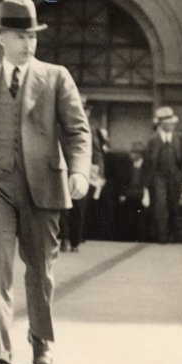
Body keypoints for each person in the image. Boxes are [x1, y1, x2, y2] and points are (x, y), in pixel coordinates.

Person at [0, 0, 91, 364]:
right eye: (19, 35)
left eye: (32, 35)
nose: (28, 43)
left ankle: (40, 338)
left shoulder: (56, 76)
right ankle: (0, 354)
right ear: (1, 39)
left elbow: (78, 130)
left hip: (42, 184)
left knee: (40, 270)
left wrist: (79, 171)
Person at [62, 98, 108, 252]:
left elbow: (98, 151)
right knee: (63, 207)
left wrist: (99, 170)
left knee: (79, 207)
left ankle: (75, 241)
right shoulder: (62, 125)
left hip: (84, 171)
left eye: (85, 109)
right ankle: (64, 240)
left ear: (88, 112)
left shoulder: (93, 130)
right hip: (64, 170)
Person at [141, 106, 182, 244]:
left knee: (173, 206)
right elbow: (148, 163)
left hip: (175, 176)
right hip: (158, 177)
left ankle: (172, 235)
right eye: (170, 123)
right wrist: (145, 185)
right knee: (160, 206)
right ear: (162, 124)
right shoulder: (153, 140)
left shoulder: (179, 137)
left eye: (173, 123)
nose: (173, 125)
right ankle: (162, 237)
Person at [118, 141, 151, 241]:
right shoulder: (127, 165)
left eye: (133, 153)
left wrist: (146, 194)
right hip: (129, 196)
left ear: (140, 154)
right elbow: (123, 182)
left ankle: (141, 238)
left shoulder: (147, 167)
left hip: (142, 196)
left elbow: (149, 183)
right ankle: (129, 238)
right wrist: (122, 194)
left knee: (141, 219)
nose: (131, 155)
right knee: (128, 219)